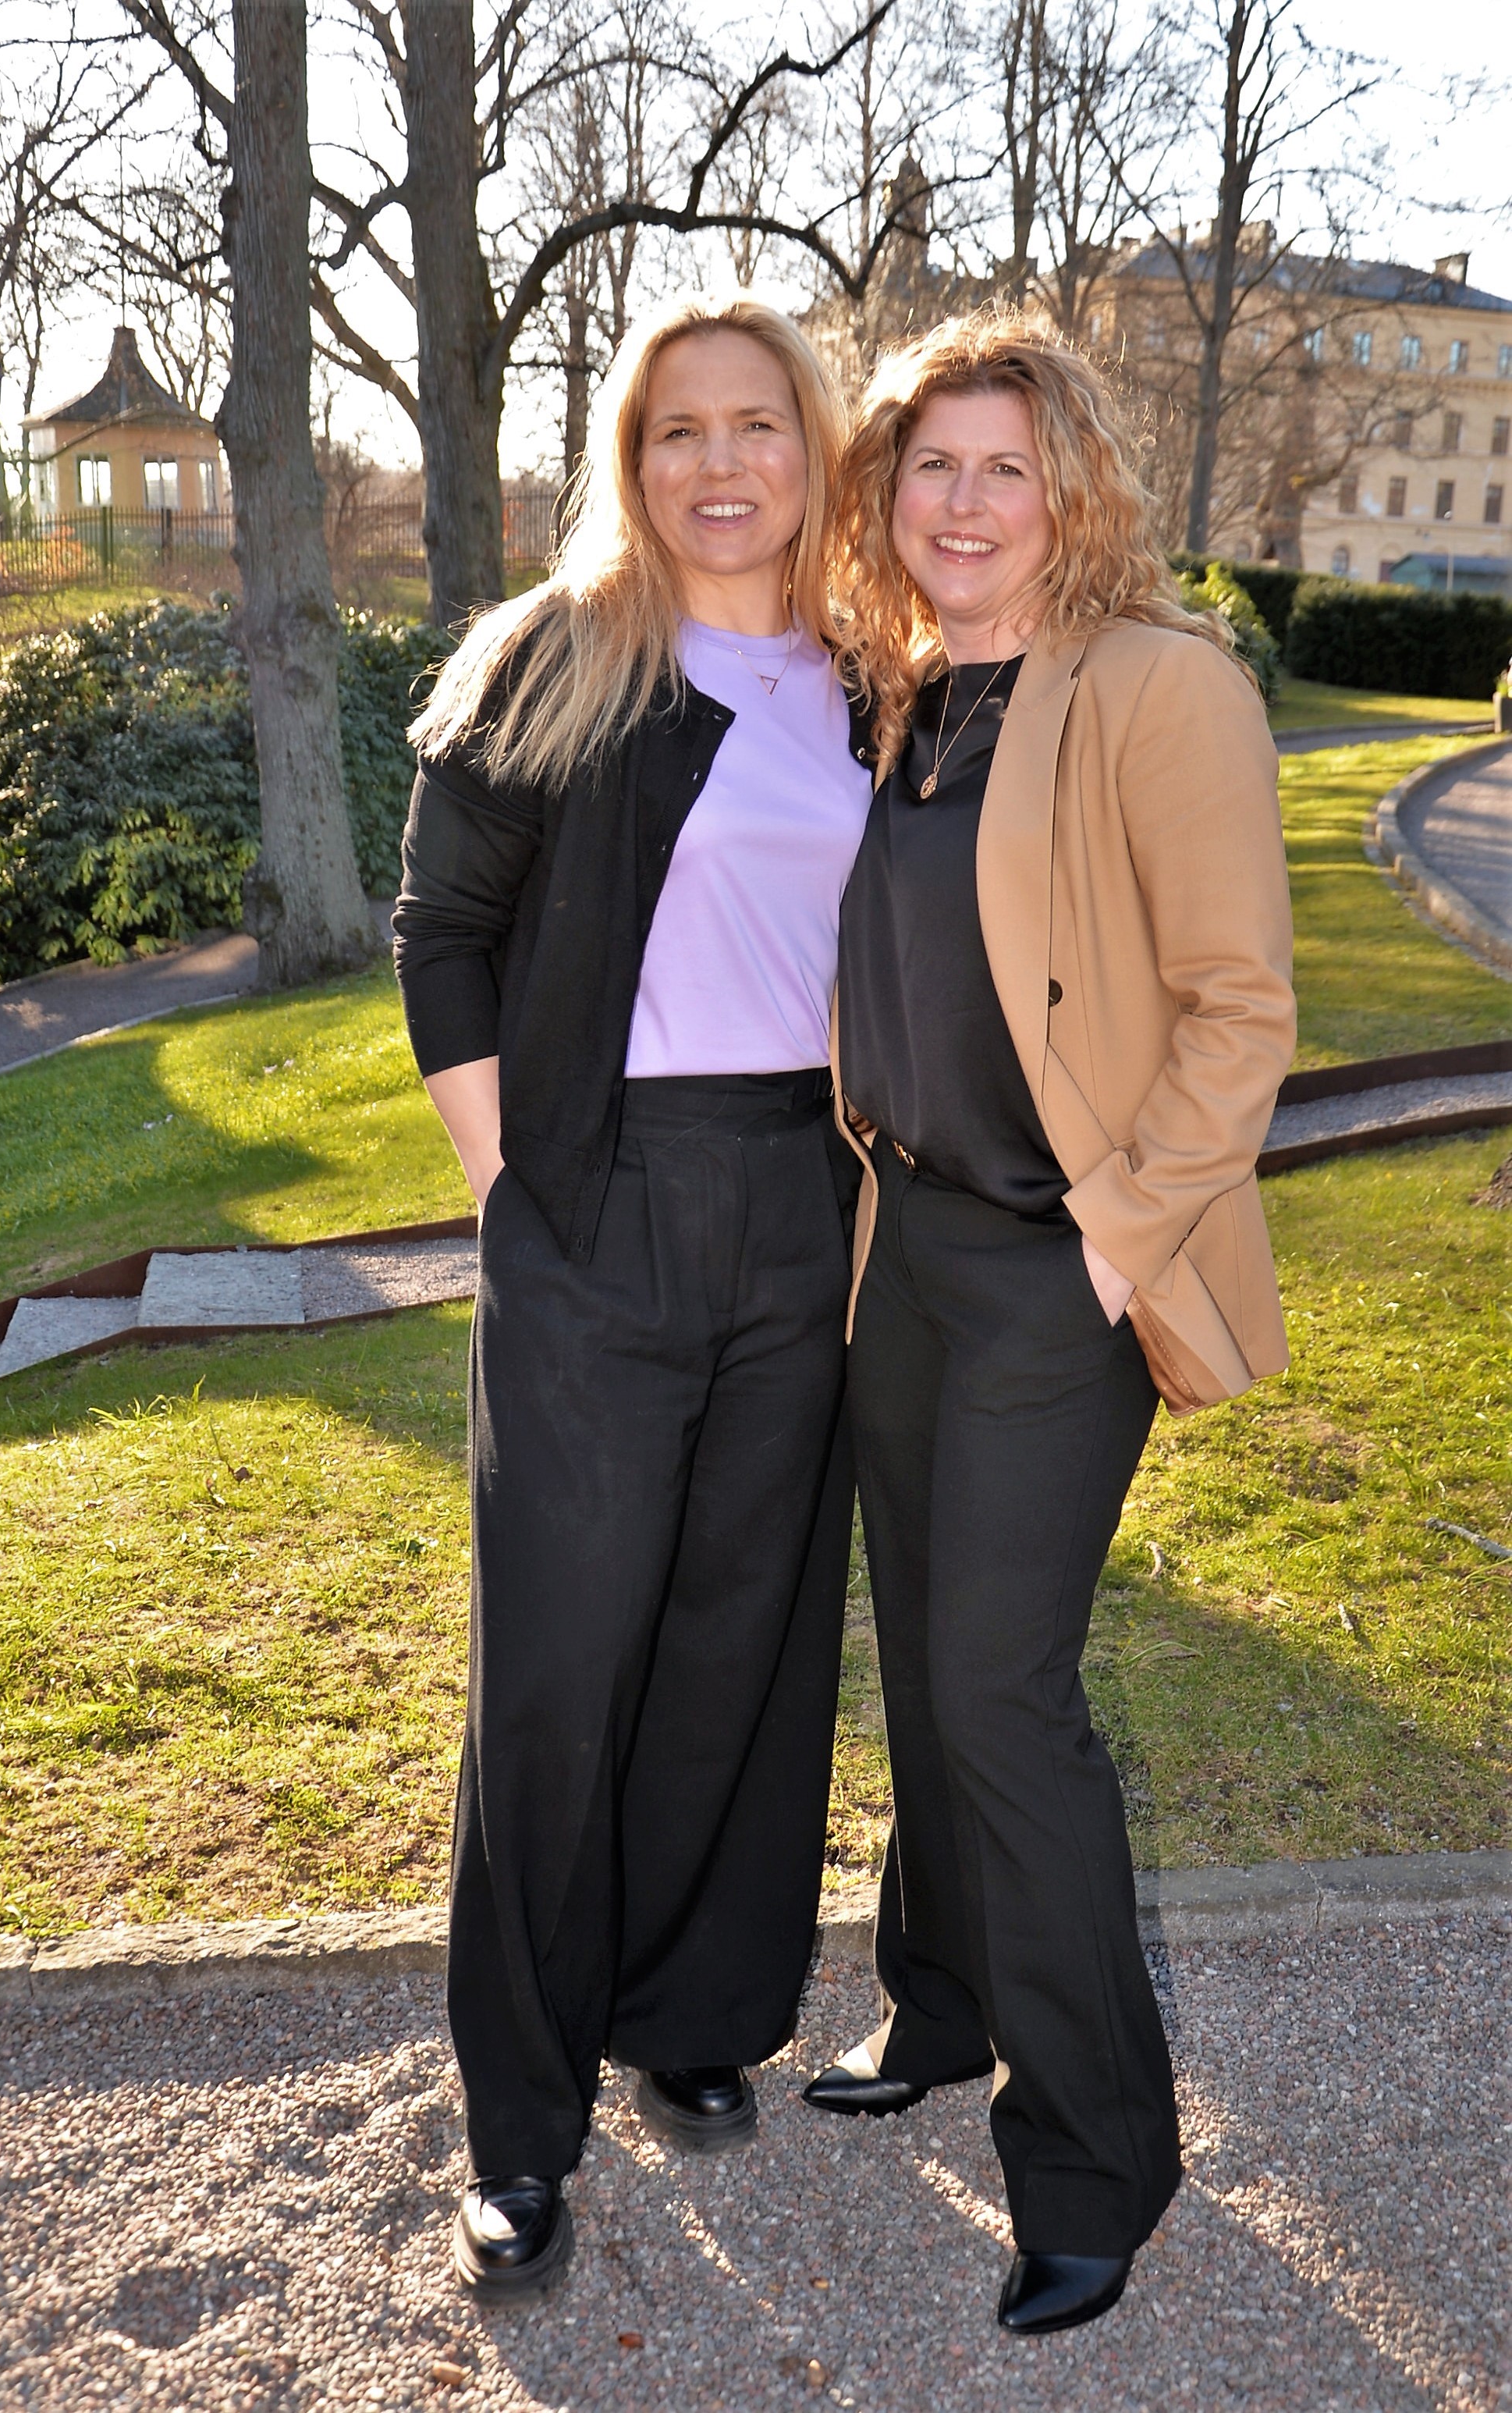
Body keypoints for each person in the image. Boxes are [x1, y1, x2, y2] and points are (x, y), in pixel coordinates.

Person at [804, 313, 1297, 2338]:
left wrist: (1111, 1239)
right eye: (929, 465)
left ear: (1066, 485)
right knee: (923, 1654)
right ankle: (939, 1999)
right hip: (904, 1242)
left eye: (1000, 465)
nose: (961, 500)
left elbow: (1239, 1008)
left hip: (1054, 1264)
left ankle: (1097, 2155)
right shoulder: (902, 693)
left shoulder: (1157, 685)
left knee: (1002, 1692)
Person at [392, 295, 871, 2300]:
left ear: (811, 450)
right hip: (598, 1196)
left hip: (805, 1199)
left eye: (756, 423)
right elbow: (442, 931)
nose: (718, 462)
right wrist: (516, 1190)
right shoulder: (559, 655)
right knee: (561, 1663)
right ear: (631, 455)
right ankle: (519, 2123)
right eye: (678, 428)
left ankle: (689, 2015)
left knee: (738, 1637)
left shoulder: (874, 674)